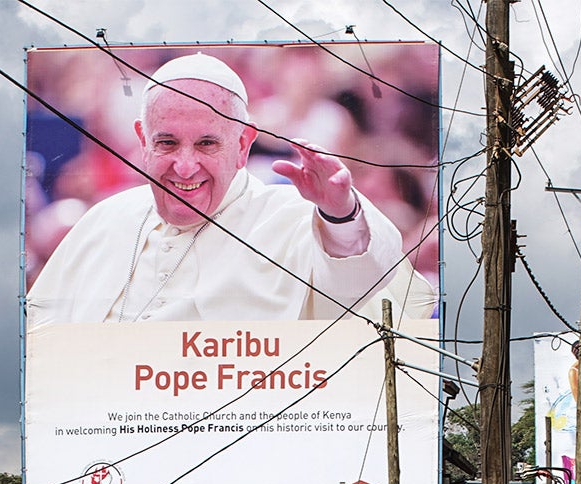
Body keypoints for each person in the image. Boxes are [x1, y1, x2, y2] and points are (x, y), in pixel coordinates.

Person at [27, 54, 428, 326]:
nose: (185, 166)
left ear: (242, 144)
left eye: (206, 143)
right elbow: (42, 345)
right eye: (166, 143)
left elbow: (372, 296)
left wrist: (340, 215)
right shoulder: (103, 221)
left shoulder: (293, 216)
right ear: (142, 141)